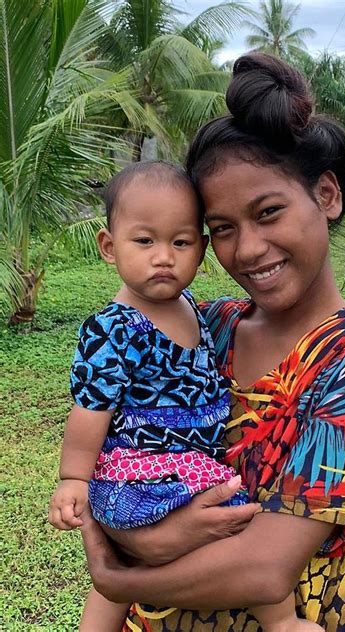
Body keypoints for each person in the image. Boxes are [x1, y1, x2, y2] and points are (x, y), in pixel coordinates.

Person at [79, 54, 345, 631]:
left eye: (269, 212)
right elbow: (104, 463)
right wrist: (131, 536)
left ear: (327, 195)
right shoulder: (200, 329)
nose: (249, 249)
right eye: (223, 229)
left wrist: (121, 574)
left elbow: (265, 570)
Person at [48, 160, 321, 632]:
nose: (163, 257)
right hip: (145, 470)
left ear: (202, 249)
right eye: (144, 241)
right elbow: (90, 409)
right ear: (109, 248)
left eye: (181, 242)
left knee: (123, 570)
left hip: (185, 465)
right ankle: (281, 622)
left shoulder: (195, 309)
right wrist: (73, 478)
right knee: (237, 518)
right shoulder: (114, 328)